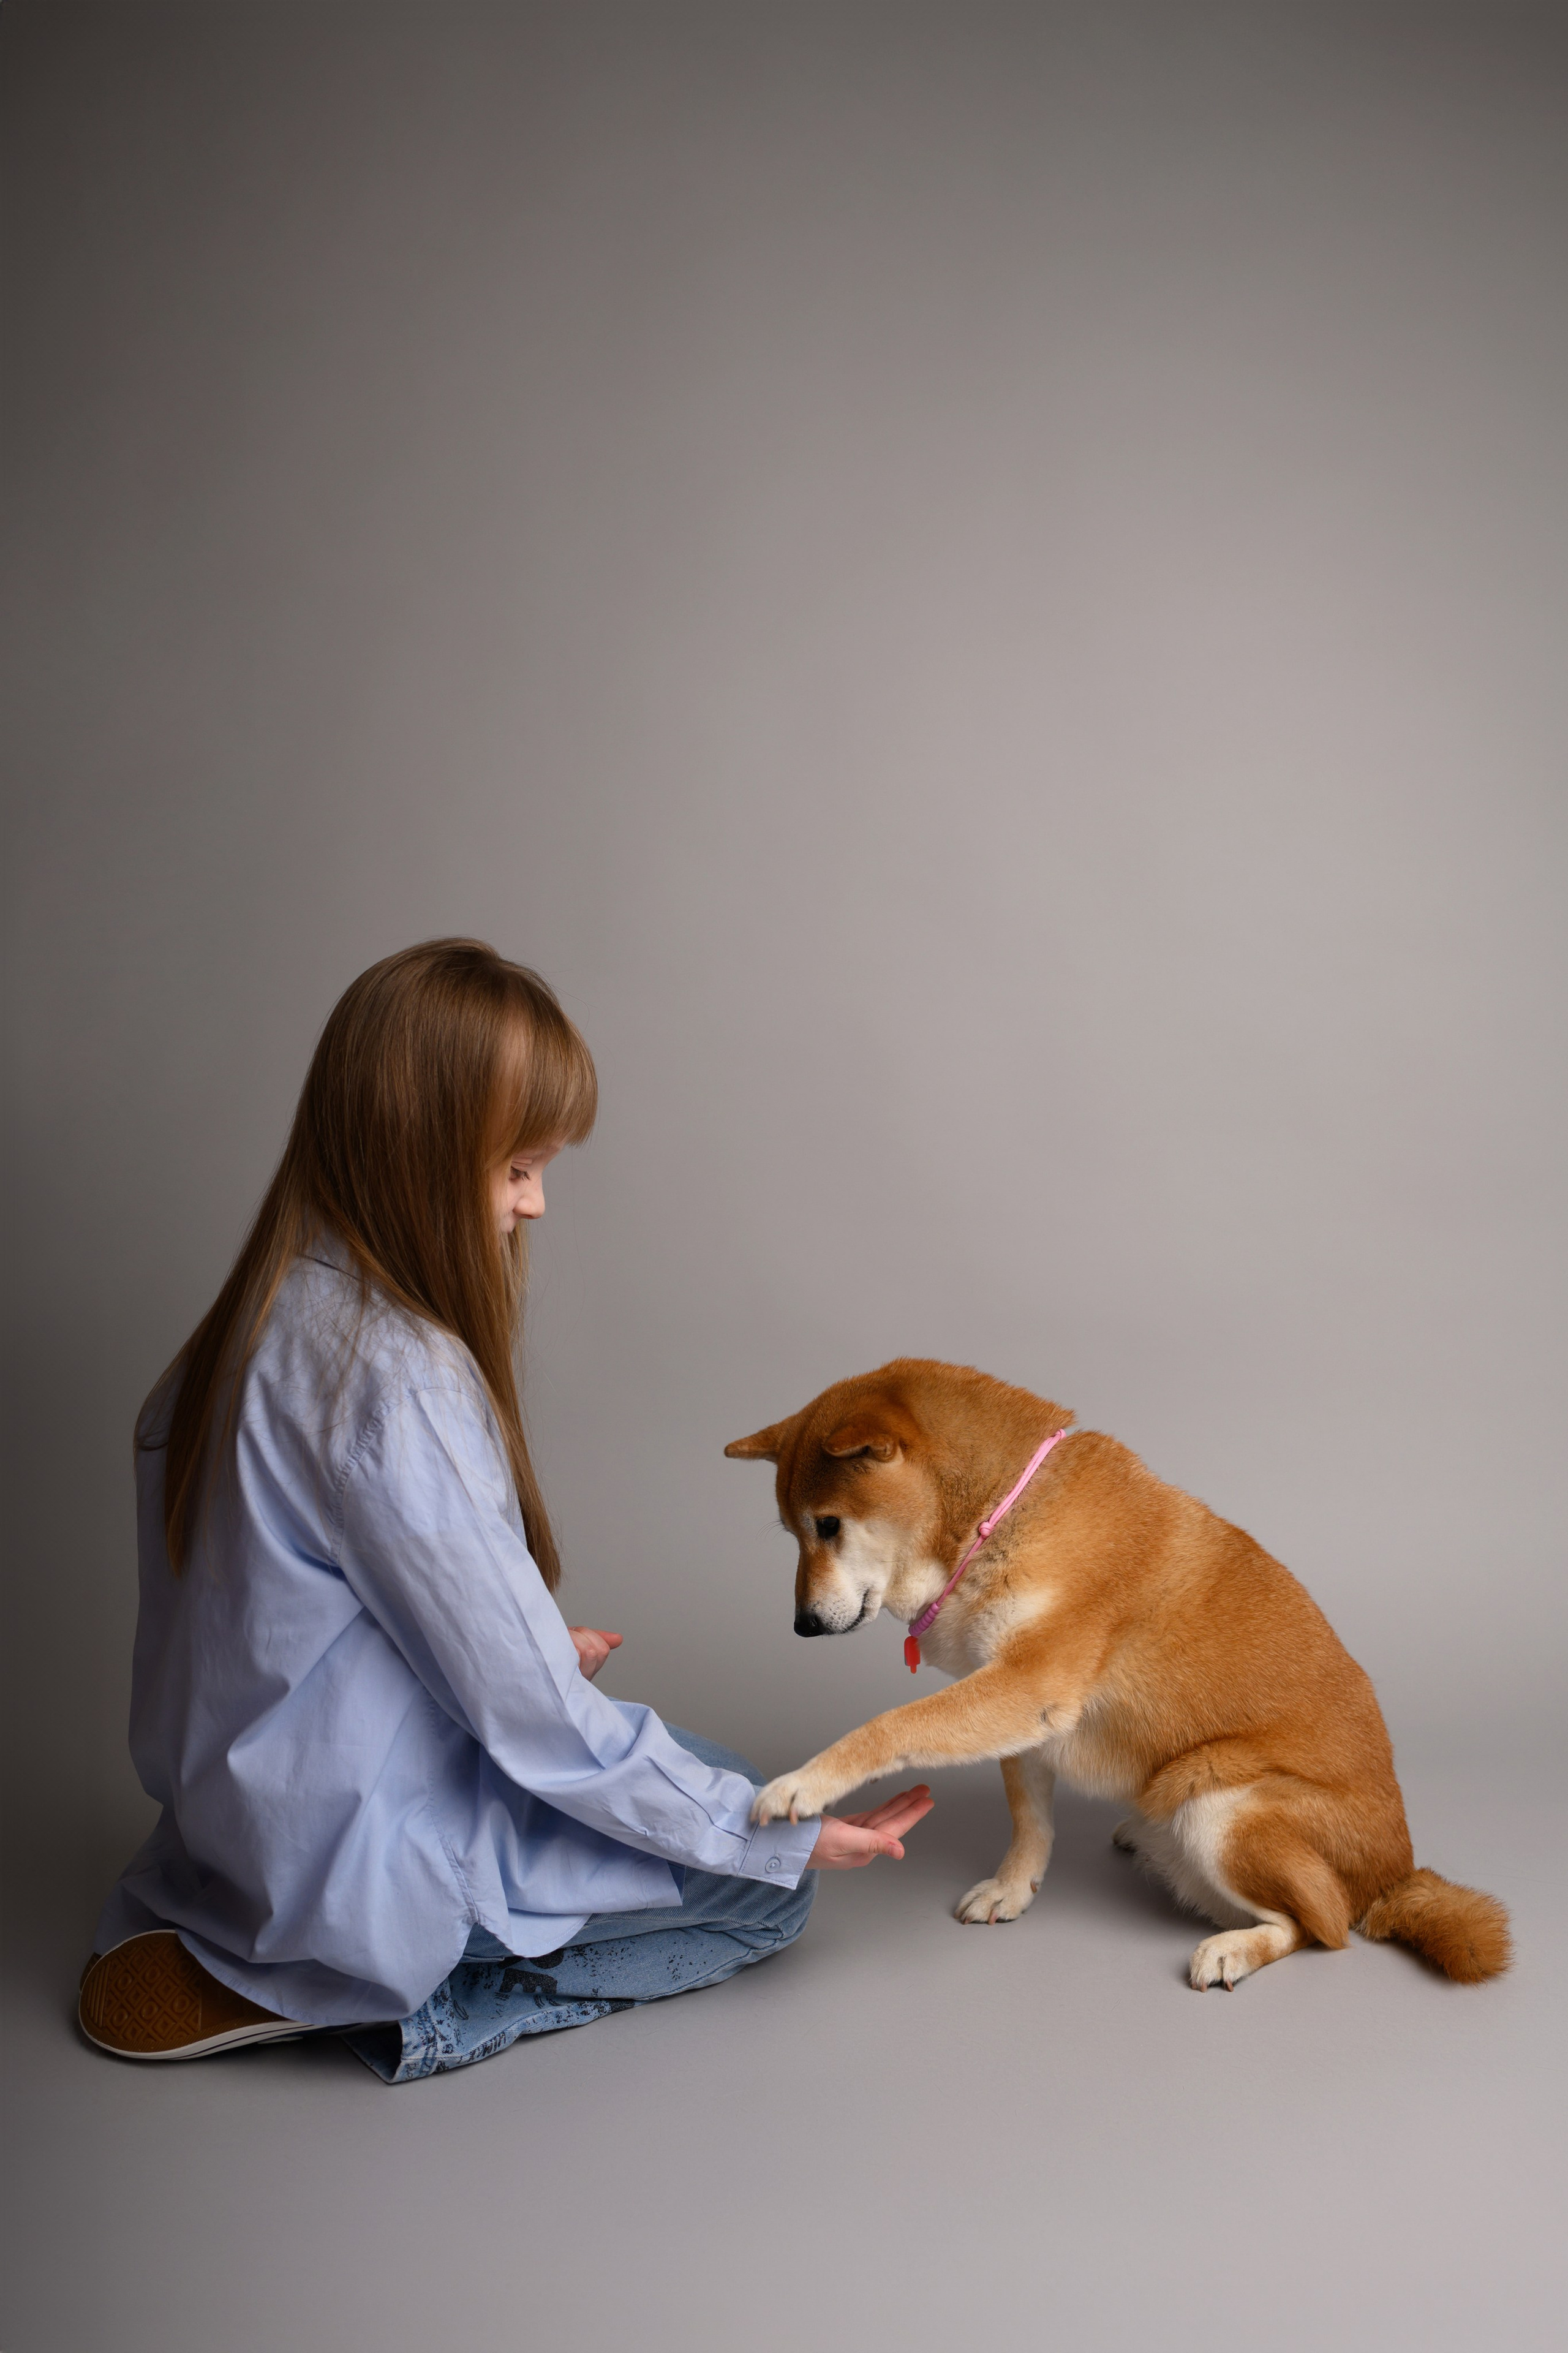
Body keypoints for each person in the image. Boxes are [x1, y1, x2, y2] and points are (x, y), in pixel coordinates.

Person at [79, 939, 932, 2082]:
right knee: (769, 1888)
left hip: (235, 1821)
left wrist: (525, 1642)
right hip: (352, 1862)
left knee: (718, 1776)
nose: (535, 1203)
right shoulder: (394, 1376)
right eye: (517, 1167)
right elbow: (530, 1722)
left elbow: (275, 1623)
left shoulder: (246, 1325)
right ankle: (370, 1996)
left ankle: (259, 1930)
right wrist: (760, 1835)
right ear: (418, 1157)